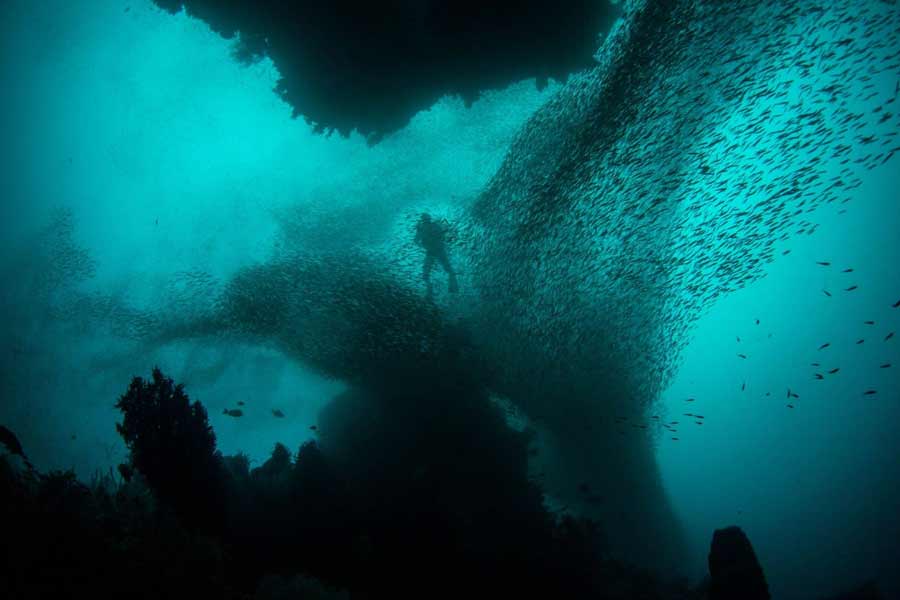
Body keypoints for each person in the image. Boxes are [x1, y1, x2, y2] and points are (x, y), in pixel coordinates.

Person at [414, 213, 458, 297]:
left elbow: (416, 241)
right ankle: (452, 288)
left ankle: (429, 291)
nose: (426, 220)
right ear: (428, 218)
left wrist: (424, 246)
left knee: (426, 273)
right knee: (447, 269)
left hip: (433, 251)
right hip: (438, 250)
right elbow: (443, 236)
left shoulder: (422, 228)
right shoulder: (434, 226)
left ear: (423, 219)